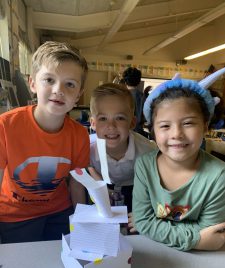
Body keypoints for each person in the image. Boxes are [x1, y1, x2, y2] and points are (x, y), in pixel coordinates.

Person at [0, 41, 90, 243]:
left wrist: (82, 223)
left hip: (59, 213)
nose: (59, 90)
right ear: (32, 83)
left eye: (70, 84)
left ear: (78, 95)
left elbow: (76, 185)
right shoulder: (6, 126)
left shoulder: (79, 135)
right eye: (49, 80)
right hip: (14, 216)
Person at [132, 69, 225, 251]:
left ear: (205, 126)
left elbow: (212, 233)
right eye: (165, 126)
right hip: (156, 256)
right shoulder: (144, 166)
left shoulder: (219, 176)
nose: (176, 134)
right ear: (153, 131)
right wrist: (196, 239)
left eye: (188, 123)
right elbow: (143, 221)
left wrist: (152, 226)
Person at [89, 83, 156, 216]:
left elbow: (153, 186)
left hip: (137, 193)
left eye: (119, 118)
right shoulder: (87, 149)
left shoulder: (148, 151)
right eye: (103, 118)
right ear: (93, 124)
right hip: (101, 190)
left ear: (132, 122)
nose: (111, 126)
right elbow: (84, 170)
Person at [122, 67, 145, 134]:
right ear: (138, 81)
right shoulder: (143, 96)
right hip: (139, 132)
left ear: (125, 81)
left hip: (125, 131)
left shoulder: (121, 96)